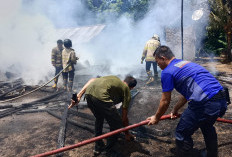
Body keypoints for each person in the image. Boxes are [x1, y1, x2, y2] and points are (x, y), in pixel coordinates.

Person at [147, 45, 227, 157]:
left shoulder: (167, 72)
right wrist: (175, 109)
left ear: (163, 58)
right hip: (222, 100)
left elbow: (165, 100)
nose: (157, 64)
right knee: (207, 125)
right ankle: (212, 154)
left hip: (205, 104)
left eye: (157, 61)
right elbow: (186, 94)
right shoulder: (186, 64)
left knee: (181, 133)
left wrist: (156, 117)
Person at [68, 75, 137, 156]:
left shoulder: (114, 79)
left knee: (99, 117)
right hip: (101, 96)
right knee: (117, 124)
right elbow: (124, 117)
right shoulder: (127, 91)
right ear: (132, 88)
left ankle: (98, 146)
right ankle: (108, 151)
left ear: (124, 80)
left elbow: (92, 80)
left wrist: (79, 96)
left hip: (89, 94)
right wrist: (127, 134)